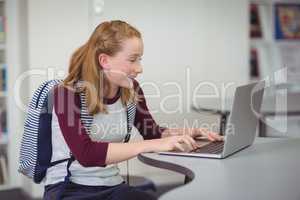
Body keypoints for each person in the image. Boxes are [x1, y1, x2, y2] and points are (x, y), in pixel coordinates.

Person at [43, 20, 222, 200]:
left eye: (140, 59)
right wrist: (152, 145)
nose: (139, 68)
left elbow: (152, 133)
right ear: (104, 60)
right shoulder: (67, 94)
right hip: (69, 189)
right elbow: (86, 154)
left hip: (111, 185)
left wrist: (190, 133)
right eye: (132, 59)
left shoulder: (131, 89)